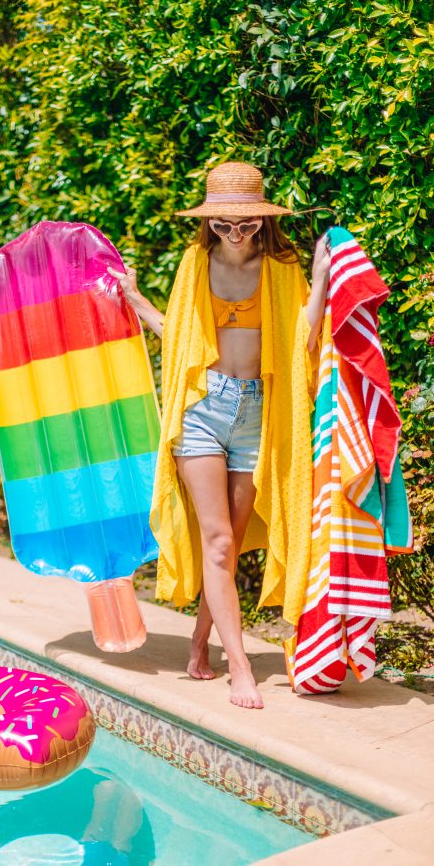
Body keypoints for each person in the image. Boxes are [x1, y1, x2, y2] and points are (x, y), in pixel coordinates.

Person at [108, 162, 330, 709]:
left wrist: (323, 276)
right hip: (205, 410)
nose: (236, 233)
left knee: (227, 547)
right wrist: (137, 302)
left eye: (247, 224)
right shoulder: (195, 263)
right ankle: (240, 670)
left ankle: (200, 641)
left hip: (259, 414)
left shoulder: (282, 268)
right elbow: (181, 340)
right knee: (219, 541)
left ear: (262, 221)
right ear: (210, 221)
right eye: (226, 223)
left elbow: (305, 337)